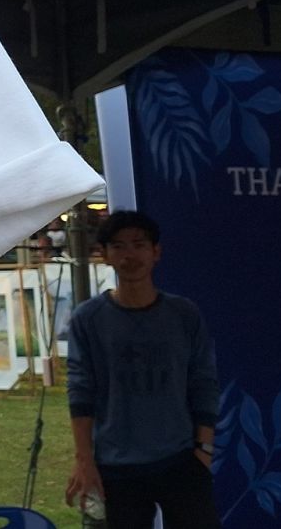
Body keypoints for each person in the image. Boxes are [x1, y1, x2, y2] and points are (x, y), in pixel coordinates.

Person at [65, 210, 220, 529]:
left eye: (139, 245)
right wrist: (84, 460)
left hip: (180, 459)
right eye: (118, 246)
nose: (130, 255)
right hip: (116, 466)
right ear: (105, 255)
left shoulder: (183, 314)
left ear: (156, 252)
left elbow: (203, 382)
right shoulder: (88, 319)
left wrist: (204, 449)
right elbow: (80, 392)